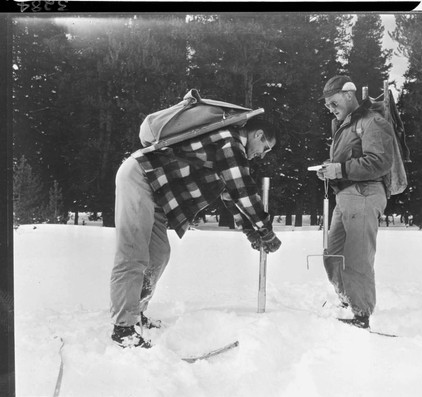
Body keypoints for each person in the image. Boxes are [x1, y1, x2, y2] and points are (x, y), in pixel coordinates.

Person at [110, 116, 282, 348]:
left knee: (159, 254)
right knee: (134, 252)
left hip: (159, 191)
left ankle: (136, 311)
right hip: (141, 176)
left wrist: (251, 232)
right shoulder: (230, 144)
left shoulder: (230, 149)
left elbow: (230, 195)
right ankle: (123, 328)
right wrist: (266, 229)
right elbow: (244, 193)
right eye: (265, 148)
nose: (261, 154)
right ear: (258, 134)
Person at [316, 75, 394, 329]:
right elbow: (348, 161)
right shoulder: (345, 126)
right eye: (327, 104)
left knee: (357, 256)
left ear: (349, 94)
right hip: (347, 196)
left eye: (333, 101)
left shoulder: (372, 122)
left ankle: (361, 315)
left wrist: (338, 170)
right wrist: (329, 169)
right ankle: (347, 299)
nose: (330, 108)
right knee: (333, 254)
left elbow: (379, 162)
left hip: (364, 193)